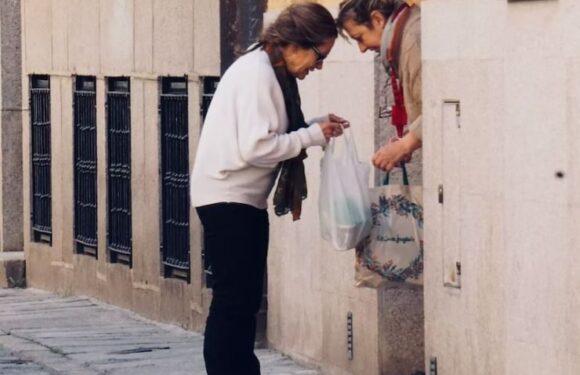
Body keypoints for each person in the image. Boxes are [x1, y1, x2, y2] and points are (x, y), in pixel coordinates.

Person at [190, 3, 348, 374]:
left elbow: (274, 133)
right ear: (295, 43)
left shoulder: (270, 71)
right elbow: (257, 147)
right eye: (318, 56)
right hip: (228, 198)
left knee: (242, 301)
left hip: (239, 199)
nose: (318, 66)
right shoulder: (258, 74)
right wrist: (310, 135)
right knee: (233, 300)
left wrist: (317, 125)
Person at [337, 0, 422, 172]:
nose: (361, 48)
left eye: (359, 38)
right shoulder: (406, 36)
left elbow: (435, 109)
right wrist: (406, 141)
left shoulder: (412, 40)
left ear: (378, 20)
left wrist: (404, 145)